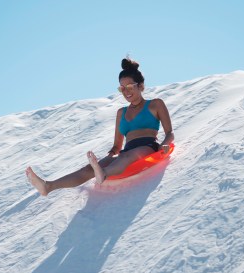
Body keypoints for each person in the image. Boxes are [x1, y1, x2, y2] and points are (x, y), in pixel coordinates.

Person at [26, 57, 174, 196]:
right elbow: (117, 145)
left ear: (141, 86)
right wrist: (110, 155)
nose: (126, 91)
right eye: (121, 88)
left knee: (127, 156)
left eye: (129, 86)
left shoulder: (155, 104)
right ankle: (48, 186)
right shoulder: (121, 113)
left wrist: (164, 145)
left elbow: (170, 133)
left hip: (147, 146)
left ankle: (103, 173)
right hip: (126, 151)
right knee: (88, 169)